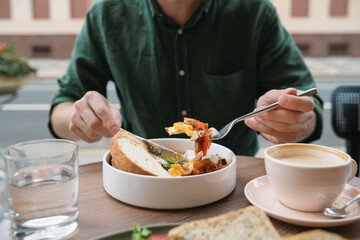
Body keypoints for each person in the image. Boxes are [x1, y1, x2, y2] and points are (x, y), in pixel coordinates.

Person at [49, 0, 323, 156]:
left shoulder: (253, 11)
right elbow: (63, 107)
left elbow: (310, 109)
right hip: (143, 182)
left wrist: (295, 119)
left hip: (233, 184)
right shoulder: (106, 14)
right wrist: (79, 118)